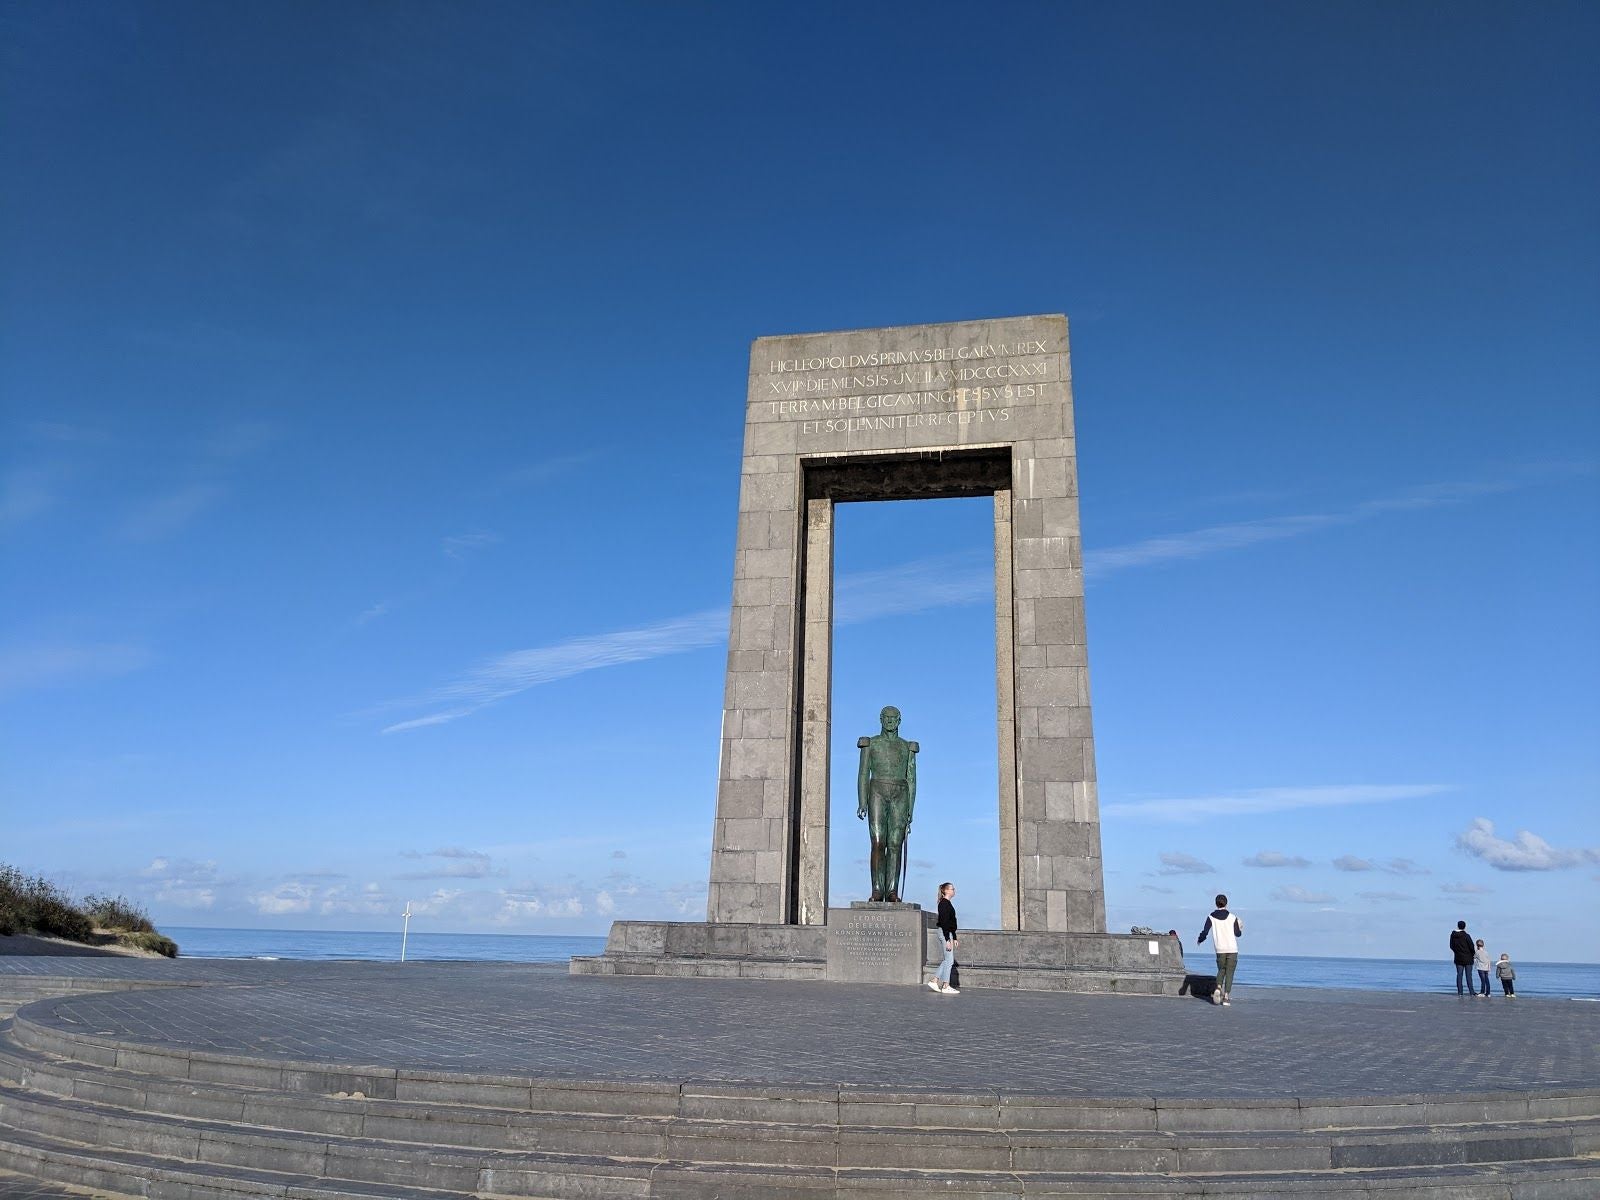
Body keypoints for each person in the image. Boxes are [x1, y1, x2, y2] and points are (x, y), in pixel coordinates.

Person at [856, 706, 918, 902]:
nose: (890, 721)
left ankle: (892, 891)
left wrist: (911, 808)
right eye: (886, 718)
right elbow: (864, 773)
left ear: (899, 720)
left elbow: (912, 778)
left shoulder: (907, 746)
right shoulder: (870, 744)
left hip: (901, 793)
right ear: (880, 719)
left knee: (894, 844)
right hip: (876, 791)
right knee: (877, 842)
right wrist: (862, 800)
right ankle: (876, 890)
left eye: (894, 718)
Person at [1196, 893, 1243, 1006]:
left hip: (1220, 948)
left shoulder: (1211, 917)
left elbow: (1205, 931)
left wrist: (1200, 940)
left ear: (1216, 904)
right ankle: (1226, 997)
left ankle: (1218, 987)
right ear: (1226, 904)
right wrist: (1240, 927)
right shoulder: (1233, 917)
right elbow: (1238, 934)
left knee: (1221, 969)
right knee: (1230, 972)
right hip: (1232, 948)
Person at [927, 881, 959, 995]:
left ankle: (935, 980)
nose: (954, 890)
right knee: (949, 960)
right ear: (945, 890)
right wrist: (947, 940)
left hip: (948, 933)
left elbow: (951, 923)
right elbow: (944, 923)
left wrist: (954, 937)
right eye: (952, 889)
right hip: (945, 933)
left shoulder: (947, 903)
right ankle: (946, 985)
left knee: (947, 960)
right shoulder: (943, 904)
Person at [1449, 920, 1476, 995]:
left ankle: (1460, 992)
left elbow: (1451, 946)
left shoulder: (1453, 935)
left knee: (1459, 975)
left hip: (1458, 957)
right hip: (1468, 958)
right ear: (1464, 926)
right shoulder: (1466, 935)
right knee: (1468, 975)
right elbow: (1471, 946)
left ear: (1458, 926)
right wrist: (1473, 953)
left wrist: (1456, 951)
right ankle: (1471, 991)